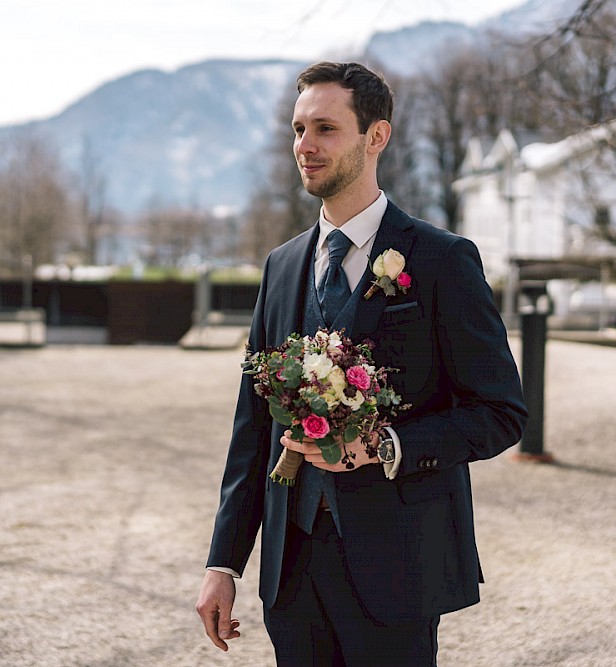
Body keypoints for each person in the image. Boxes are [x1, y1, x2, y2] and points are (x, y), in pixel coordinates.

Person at [196, 61, 528, 666]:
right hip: (291, 570)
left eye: (325, 128)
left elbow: (501, 413)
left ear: (376, 137)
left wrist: (385, 445)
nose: (305, 146)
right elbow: (253, 428)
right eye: (298, 130)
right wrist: (224, 563)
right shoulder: (282, 266)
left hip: (397, 568)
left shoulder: (441, 259)